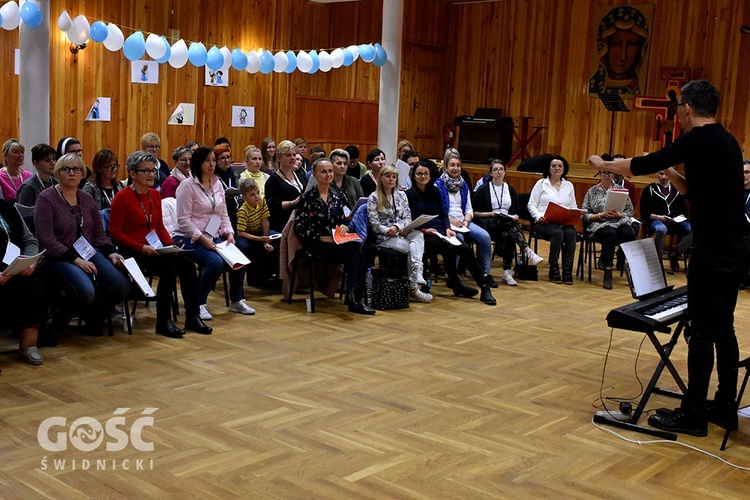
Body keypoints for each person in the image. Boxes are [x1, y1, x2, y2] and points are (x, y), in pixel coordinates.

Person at [587, 79, 750, 437]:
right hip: (736, 245)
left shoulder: (696, 137)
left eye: (679, 108)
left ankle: (693, 414)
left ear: (687, 109)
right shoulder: (726, 140)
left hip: (715, 246)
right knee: (723, 326)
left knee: (703, 331)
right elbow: (697, 191)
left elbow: (643, 164)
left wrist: (605, 163)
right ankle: (723, 406)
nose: (678, 113)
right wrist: (674, 172)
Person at [109, 151, 211, 338]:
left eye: (153, 170)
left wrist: (171, 246)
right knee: (168, 270)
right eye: (146, 171)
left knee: (187, 265)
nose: (151, 174)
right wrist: (141, 248)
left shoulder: (155, 195)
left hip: (155, 247)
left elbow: (159, 226)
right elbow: (115, 233)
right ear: (132, 174)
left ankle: (193, 316)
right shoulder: (122, 197)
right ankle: (163, 322)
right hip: (133, 250)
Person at [34, 153, 130, 341]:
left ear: (82, 174)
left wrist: (111, 253)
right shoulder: (46, 199)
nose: (71, 173)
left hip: (88, 251)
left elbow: (99, 234)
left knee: (121, 285)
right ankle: (56, 327)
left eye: (76, 169)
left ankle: (93, 316)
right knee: (85, 290)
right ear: (57, 173)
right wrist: (76, 260)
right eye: (66, 169)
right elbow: (46, 239)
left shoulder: (86, 199)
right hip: (58, 256)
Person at [174, 147, 255, 319]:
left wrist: (229, 233)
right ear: (198, 163)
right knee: (215, 263)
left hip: (212, 234)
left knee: (238, 256)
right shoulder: (187, 186)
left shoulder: (217, 183)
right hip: (189, 237)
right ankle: (199, 303)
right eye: (207, 161)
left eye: (213, 160)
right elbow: (183, 220)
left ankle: (237, 300)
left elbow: (222, 213)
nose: (211, 164)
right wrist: (203, 239)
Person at [406, 161, 496, 305]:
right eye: (419, 173)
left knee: (465, 248)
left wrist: (447, 228)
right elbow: (408, 220)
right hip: (422, 233)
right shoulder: (408, 195)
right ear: (414, 176)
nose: (423, 176)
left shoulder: (435, 191)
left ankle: (484, 287)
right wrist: (424, 230)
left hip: (440, 231)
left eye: (426, 173)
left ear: (430, 175)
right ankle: (455, 284)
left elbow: (443, 214)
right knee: (448, 249)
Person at [295, 159, 374, 314]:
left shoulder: (338, 196)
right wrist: (320, 237)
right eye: (323, 171)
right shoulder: (307, 198)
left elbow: (345, 218)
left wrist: (345, 225)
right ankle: (355, 297)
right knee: (356, 252)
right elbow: (300, 227)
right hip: (316, 242)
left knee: (357, 250)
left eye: (330, 171)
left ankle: (354, 295)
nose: (328, 174)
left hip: (336, 240)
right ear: (315, 175)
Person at [472, 159, 544, 286]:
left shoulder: (510, 189)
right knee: (508, 227)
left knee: (509, 234)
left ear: (505, 172)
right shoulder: (483, 189)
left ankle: (507, 272)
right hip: (489, 224)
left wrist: (515, 217)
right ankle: (527, 251)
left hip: (506, 225)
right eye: (495, 170)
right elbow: (474, 212)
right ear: (491, 173)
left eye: (501, 169)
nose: (499, 172)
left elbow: (516, 212)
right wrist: (490, 213)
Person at [368, 164, 432, 303]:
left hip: (401, 231)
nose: (391, 179)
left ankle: (416, 275)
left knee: (419, 235)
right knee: (411, 247)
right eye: (388, 176)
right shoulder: (373, 197)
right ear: (381, 178)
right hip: (385, 236)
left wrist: (398, 227)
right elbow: (375, 224)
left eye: (394, 177)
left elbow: (407, 217)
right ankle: (414, 288)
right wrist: (390, 230)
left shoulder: (401, 195)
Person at [434, 148, 497, 288]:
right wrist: (451, 221)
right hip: (447, 221)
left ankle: (485, 274)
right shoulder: (438, 185)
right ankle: (453, 276)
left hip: (463, 221)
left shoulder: (463, 185)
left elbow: (469, 208)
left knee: (485, 236)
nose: (455, 168)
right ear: (446, 167)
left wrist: (467, 221)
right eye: (452, 165)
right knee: (459, 239)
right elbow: (438, 211)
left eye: (458, 165)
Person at [0, 199, 47, 365]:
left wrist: (30, 262)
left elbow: (30, 240)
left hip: (15, 268)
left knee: (33, 286)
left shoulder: (6, 207)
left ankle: (29, 345)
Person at [527, 156, 579, 285]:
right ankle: (553, 267)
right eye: (554, 166)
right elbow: (531, 204)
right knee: (558, 233)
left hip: (563, 221)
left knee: (571, 233)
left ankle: (567, 269)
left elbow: (573, 205)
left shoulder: (569, 185)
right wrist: (538, 216)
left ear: (564, 169)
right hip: (544, 222)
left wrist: (575, 213)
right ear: (549, 169)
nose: (557, 168)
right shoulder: (541, 184)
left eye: (560, 166)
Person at [581, 170, 637, 289]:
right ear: (599, 174)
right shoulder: (592, 191)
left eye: (610, 173)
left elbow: (630, 211)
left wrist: (619, 215)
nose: (607, 176)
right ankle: (608, 270)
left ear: (613, 174)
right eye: (604, 173)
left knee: (629, 234)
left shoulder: (620, 190)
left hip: (618, 221)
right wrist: (601, 215)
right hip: (599, 224)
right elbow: (585, 214)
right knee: (610, 233)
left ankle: (632, 270)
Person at [588, 5, 649, 94]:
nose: (623, 56)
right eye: (616, 44)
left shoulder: (642, 88)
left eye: (632, 44)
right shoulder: (595, 86)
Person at [639, 169, 691, 272]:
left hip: (675, 221)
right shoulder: (649, 189)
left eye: (666, 174)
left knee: (693, 230)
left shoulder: (677, 190)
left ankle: (675, 253)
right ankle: (657, 260)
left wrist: (679, 217)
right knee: (661, 229)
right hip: (657, 220)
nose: (663, 177)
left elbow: (683, 211)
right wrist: (659, 217)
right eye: (661, 174)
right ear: (656, 174)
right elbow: (644, 213)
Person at [236, 177, 278, 285]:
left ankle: (271, 274)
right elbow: (240, 232)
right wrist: (260, 239)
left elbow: (265, 220)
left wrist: (266, 240)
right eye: (252, 194)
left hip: (259, 231)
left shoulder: (262, 201)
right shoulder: (243, 211)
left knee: (279, 238)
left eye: (258, 192)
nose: (257, 196)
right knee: (244, 247)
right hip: (247, 234)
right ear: (244, 197)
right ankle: (252, 278)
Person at [265, 140, 307, 233]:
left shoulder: (299, 176)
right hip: (283, 222)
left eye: (294, 155)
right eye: (288, 155)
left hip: (300, 218)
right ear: (279, 158)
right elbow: (272, 207)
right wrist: (293, 202)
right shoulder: (273, 181)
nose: (293, 158)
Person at [214, 144, 242, 228]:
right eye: (223, 158)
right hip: (217, 213)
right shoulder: (212, 175)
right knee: (211, 236)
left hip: (234, 211)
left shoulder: (235, 174)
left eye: (228, 157)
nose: (226, 160)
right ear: (216, 161)